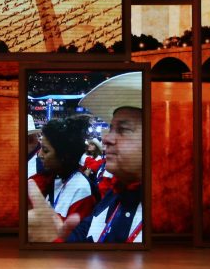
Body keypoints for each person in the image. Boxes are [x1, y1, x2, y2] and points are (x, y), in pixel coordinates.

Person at [28, 72, 143, 243]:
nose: (106, 139)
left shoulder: (171, 215)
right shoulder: (113, 196)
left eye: (123, 130)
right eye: (111, 129)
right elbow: (77, 243)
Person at [27, 115, 96, 242]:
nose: (40, 155)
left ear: (63, 156)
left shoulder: (81, 188)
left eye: (46, 151)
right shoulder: (51, 178)